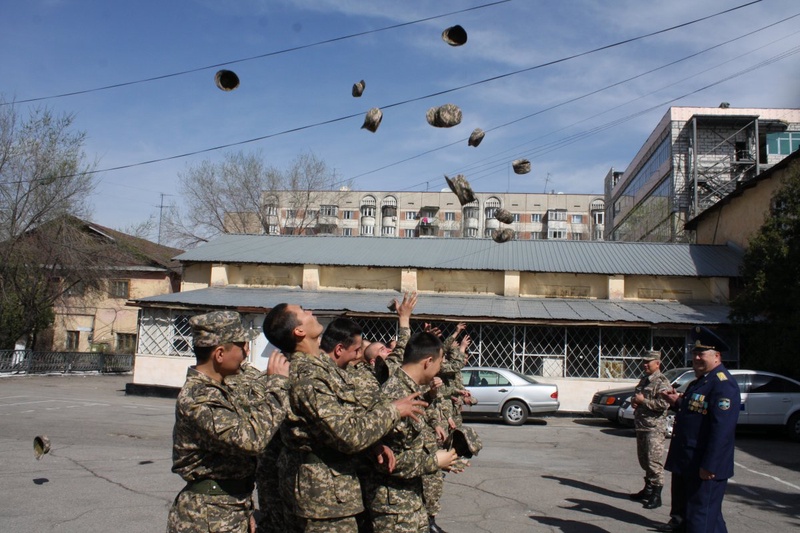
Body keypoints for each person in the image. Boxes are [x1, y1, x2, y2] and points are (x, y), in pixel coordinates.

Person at [263, 303, 427, 533]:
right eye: (303, 312)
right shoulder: (308, 375)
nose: (310, 312)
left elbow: (335, 425)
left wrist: (371, 446)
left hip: (335, 493)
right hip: (322, 501)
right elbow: (347, 434)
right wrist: (393, 410)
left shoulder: (321, 368)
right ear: (299, 331)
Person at [167, 310, 290, 533]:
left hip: (226, 507)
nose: (245, 352)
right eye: (241, 345)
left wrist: (244, 509)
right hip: (207, 515)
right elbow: (251, 440)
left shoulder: (221, 389)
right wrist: (277, 385)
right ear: (220, 353)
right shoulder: (199, 398)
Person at [364, 331, 459, 533]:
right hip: (394, 509)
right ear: (428, 361)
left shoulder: (410, 390)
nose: (440, 368)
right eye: (440, 362)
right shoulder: (395, 395)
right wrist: (434, 461)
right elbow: (384, 460)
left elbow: (410, 443)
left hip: (411, 499)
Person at [660, 326, 741, 533]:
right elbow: (696, 412)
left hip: (704, 466)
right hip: (688, 462)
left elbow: (721, 430)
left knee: (700, 520)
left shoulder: (723, 385)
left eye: (701, 354)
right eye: (694, 353)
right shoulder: (702, 382)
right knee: (707, 519)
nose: (696, 358)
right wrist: (677, 402)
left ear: (716, 356)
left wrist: (710, 465)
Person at [629, 350, 672, 510]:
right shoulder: (644, 380)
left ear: (657, 364)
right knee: (644, 460)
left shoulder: (662, 382)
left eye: (649, 362)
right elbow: (638, 397)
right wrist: (635, 402)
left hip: (654, 428)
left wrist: (643, 401)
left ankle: (656, 495)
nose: (645, 365)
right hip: (642, 426)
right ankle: (647, 489)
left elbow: (664, 405)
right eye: (644, 362)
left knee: (654, 462)